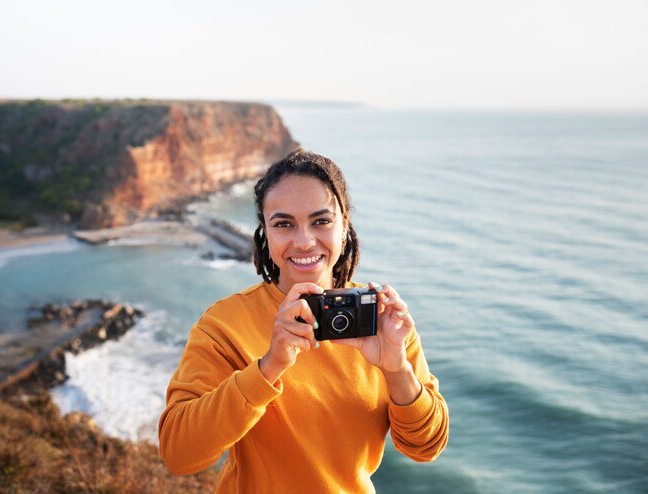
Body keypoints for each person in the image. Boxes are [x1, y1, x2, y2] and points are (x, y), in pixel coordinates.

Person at [158, 149, 448, 492]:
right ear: (265, 232)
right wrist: (268, 367)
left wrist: (396, 369)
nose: (304, 241)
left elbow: (426, 447)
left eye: (321, 221)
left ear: (344, 225)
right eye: (283, 224)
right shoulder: (224, 324)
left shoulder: (381, 319)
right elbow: (179, 454)